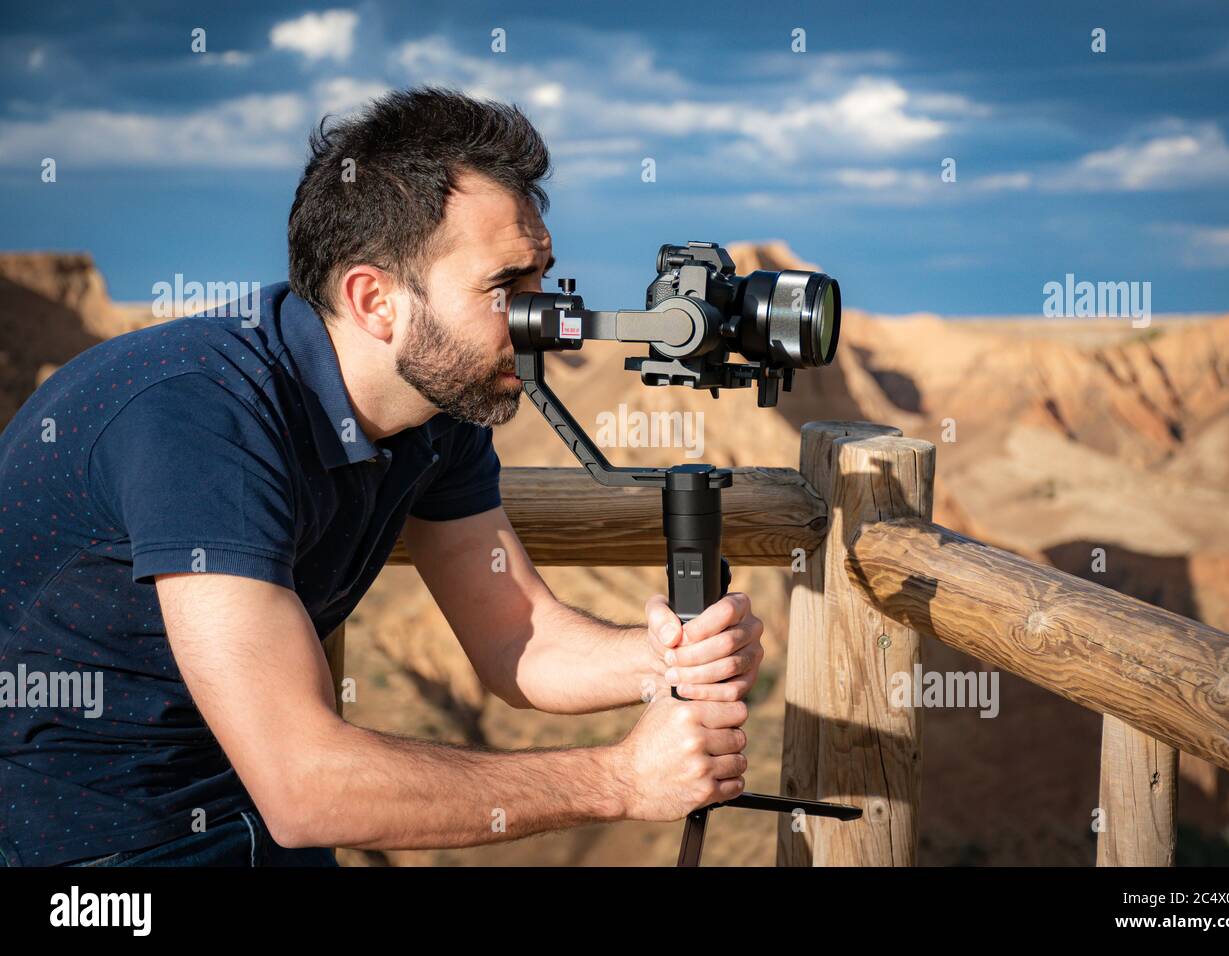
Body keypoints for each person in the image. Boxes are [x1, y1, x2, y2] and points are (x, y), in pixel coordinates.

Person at [0, 87, 763, 867]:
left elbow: (514, 639)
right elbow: (306, 785)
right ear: (375, 300)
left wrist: (669, 656)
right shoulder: (201, 418)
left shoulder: (436, 407)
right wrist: (620, 780)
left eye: (545, 277)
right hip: (93, 860)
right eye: (508, 289)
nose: (549, 322)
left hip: (263, 837)